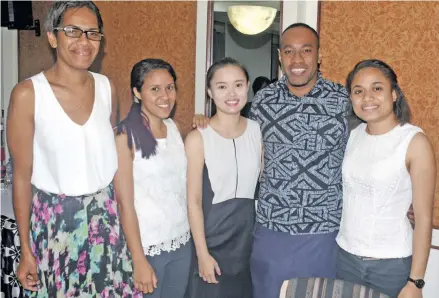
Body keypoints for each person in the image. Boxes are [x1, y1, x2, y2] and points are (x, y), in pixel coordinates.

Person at [6, 1, 140, 297]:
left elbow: (109, 159)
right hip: (54, 227)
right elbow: (21, 178)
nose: (84, 41)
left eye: (93, 33)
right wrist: (25, 249)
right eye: (72, 31)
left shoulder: (107, 88)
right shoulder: (29, 94)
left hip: (105, 222)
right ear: (53, 37)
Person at [248, 23, 350, 298]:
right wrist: (203, 123)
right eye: (289, 52)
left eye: (306, 50)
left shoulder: (344, 101)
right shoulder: (263, 101)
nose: (297, 60)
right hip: (272, 229)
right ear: (280, 56)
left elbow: (370, 150)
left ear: (318, 55)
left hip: (324, 231)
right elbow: (236, 140)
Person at [336, 59, 435, 298]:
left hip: (391, 265)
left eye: (377, 88)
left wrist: (416, 282)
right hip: (345, 258)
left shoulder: (414, 142)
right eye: (358, 91)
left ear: (394, 94)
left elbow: (423, 218)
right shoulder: (353, 135)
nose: (367, 97)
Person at [113, 58, 192, 298]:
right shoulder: (124, 138)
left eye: (170, 87)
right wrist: (138, 259)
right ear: (137, 92)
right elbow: (124, 204)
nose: (165, 96)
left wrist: (203, 121)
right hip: (147, 247)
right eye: (155, 89)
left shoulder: (175, 128)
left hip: (181, 242)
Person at [185, 57, 262, 298]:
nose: (231, 93)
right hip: (212, 241)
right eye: (221, 86)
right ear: (209, 92)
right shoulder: (198, 138)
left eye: (238, 85)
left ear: (247, 87)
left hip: (248, 243)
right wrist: (202, 254)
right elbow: (193, 201)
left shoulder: (257, 131)